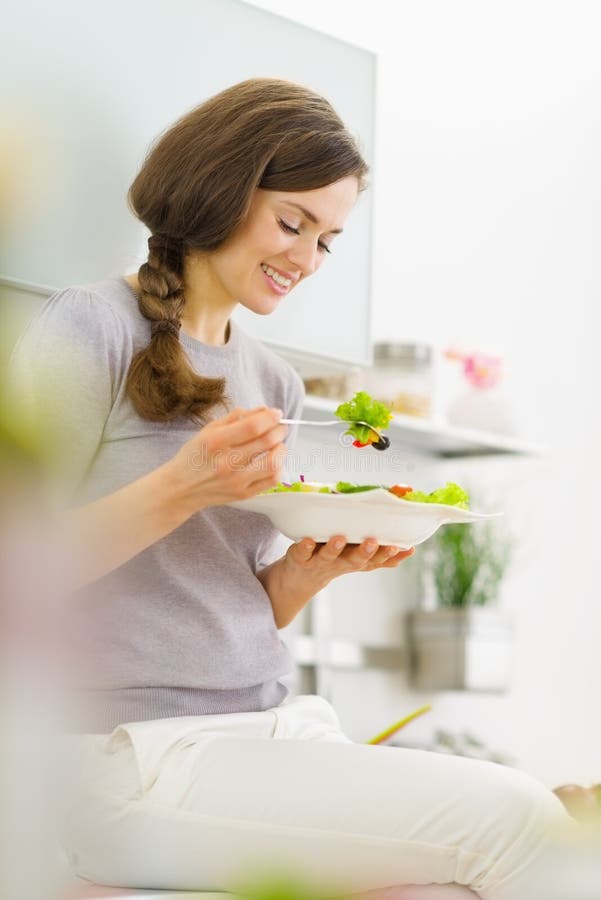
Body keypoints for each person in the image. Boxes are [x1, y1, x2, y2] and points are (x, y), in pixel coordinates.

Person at [10, 79, 569, 900]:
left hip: (270, 728)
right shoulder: (88, 327)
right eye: (291, 222)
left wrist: (298, 578)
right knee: (522, 822)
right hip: (124, 756)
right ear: (216, 189)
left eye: (327, 240)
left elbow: (213, 605)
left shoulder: (272, 381)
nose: (306, 261)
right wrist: (181, 486)